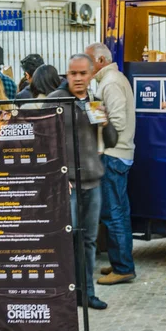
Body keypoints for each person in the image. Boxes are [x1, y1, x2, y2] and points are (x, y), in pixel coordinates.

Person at [45, 54, 118, 310]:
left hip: (92, 181)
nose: (77, 78)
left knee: (88, 241)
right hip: (67, 184)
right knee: (66, 240)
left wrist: (106, 123)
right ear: (67, 74)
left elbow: (111, 141)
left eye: (82, 74)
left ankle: (86, 293)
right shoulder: (55, 101)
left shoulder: (95, 103)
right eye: (72, 73)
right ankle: (65, 294)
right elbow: (42, 142)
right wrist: (57, 174)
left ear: (90, 75)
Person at [85, 43, 137, 285]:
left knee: (113, 213)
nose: (85, 65)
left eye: (88, 60)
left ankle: (123, 267)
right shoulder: (110, 80)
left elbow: (117, 121)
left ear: (101, 60)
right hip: (118, 153)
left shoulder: (111, 82)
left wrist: (97, 118)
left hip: (113, 154)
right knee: (119, 212)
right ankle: (121, 262)